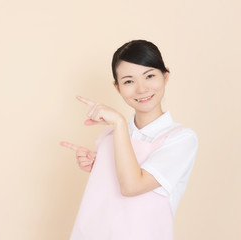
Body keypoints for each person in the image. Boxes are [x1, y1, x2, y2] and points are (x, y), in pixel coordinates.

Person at [60, 39, 198, 239]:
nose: (141, 89)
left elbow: (132, 186)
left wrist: (119, 122)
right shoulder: (109, 136)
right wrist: (99, 164)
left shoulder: (181, 138)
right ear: (117, 87)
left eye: (149, 76)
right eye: (128, 81)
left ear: (165, 76)